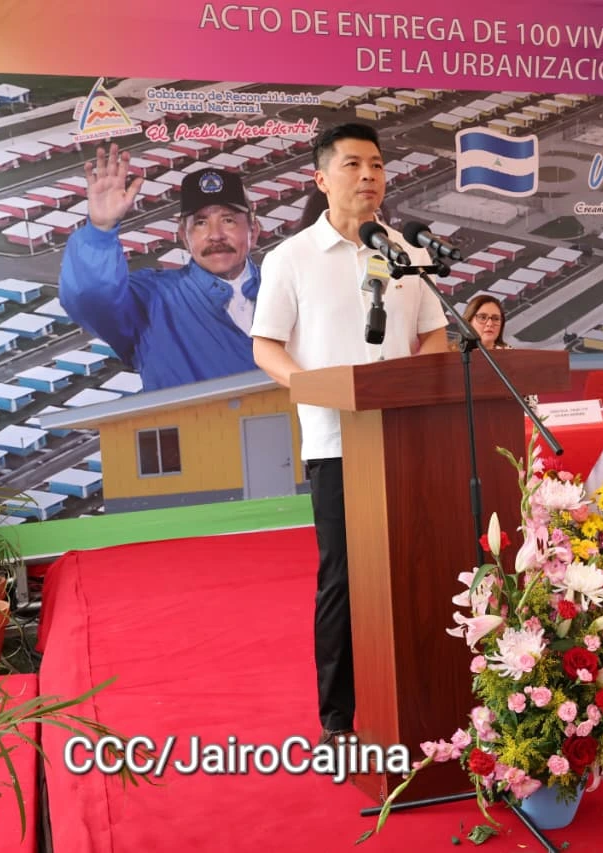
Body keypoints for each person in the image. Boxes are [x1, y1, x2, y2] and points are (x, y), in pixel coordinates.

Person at [250, 123, 448, 744]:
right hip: (337, 444)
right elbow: (266, 346)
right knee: (343, 579)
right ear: (321, 178)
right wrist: (316, 389)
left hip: (408, 440)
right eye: (354, 165)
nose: (369, 176)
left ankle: (422, 695)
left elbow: (435, 334)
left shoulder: (405, 252)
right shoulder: (290, 258)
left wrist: (415, 383)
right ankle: (338, 719)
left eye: (378, 165)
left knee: (417, 567)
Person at [59, 142, 261, 392]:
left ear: (253, 230)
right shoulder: (152, 300)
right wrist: (100, 233)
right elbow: (90, 298)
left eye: (228, 220)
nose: (215, 235)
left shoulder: (290, 290)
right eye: (200, 223)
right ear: (184, 237)